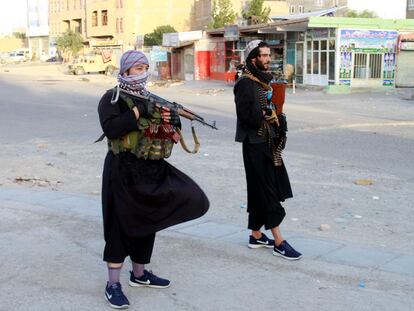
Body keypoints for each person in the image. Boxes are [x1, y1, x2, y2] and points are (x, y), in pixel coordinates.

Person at [98, 50, 209, 309]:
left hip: (151, 169)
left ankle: (139, 274)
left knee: (149, 220)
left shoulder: (154, 99)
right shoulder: (111, 99)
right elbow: (111, 128)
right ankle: (112, 284)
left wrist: (174, 119)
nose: (143, 72)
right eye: (138, 68)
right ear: (125, 71)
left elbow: (170, 130)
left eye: (146, 67)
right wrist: (138, 111)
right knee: (119, 224)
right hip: (123, 170)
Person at [233, 40, 302, 261]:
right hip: (254, 144)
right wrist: (264, 114)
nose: (268, 59)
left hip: (266, 143)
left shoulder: (262, 82)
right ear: (253, 58)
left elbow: (269, 107)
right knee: (267, 189)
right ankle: (279, 241)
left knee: (258, 188)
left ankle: (255, 234)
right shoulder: (245, 83)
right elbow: (245, 116)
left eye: (268, 55)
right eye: (263, 55)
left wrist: (277, 117)